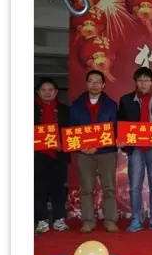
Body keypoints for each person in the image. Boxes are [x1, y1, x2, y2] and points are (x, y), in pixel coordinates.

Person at [117, 67, 152, 232]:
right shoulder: (126, 100)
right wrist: (121, 140)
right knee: (135, 187)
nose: (143, 83)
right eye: (140, 80)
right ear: (136, 83)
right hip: (136, 148)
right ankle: (136, 220)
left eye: (146, 80)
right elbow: (120, 123)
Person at [69, 70, 119, 233]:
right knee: (86, 188)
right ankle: (88, 221)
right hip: (84, 153)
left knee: (109, 187)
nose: (94, 84)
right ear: (86, 84)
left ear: (103, 85)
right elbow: (72, 130)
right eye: (91, 81)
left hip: (106, 152)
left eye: (98, 81)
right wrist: (81, 146)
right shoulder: (76, 105)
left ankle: (110, 220)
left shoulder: (111, 105)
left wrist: (99, 146)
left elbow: (114, 130)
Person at [34, 78, 71, 234]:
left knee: (59, 189)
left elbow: (71, 131)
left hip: (58, 155)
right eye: (43, 90)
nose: (47, 93)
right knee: (38, 189)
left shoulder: (65, 110)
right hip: (37, 156)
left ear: (56, 92)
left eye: (50, 90)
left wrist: (64, 144)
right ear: (38, 92)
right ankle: (41, 220)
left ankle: (59, 219)